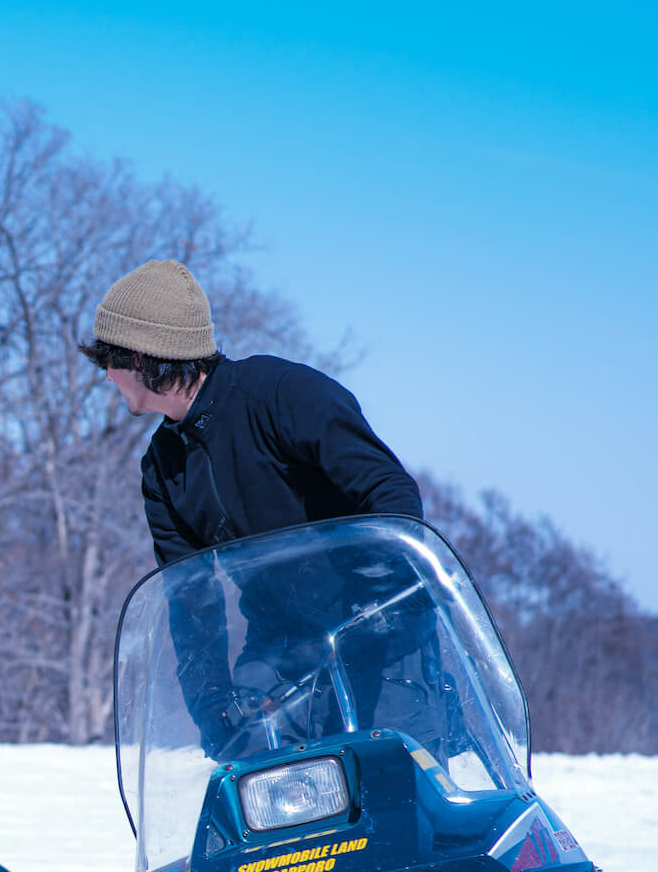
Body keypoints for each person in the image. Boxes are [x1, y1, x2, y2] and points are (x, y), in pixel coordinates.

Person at [82, 259, 426, 755]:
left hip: (383, 646)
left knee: (390, 811)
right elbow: (190, 600)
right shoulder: (162, 468)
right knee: (251, 805)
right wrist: (212, 703)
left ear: (144, 358)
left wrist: (376, 604)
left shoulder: (283, 395)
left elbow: (391, 494)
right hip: (279, 654)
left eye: (109, 361)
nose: (107, 376)